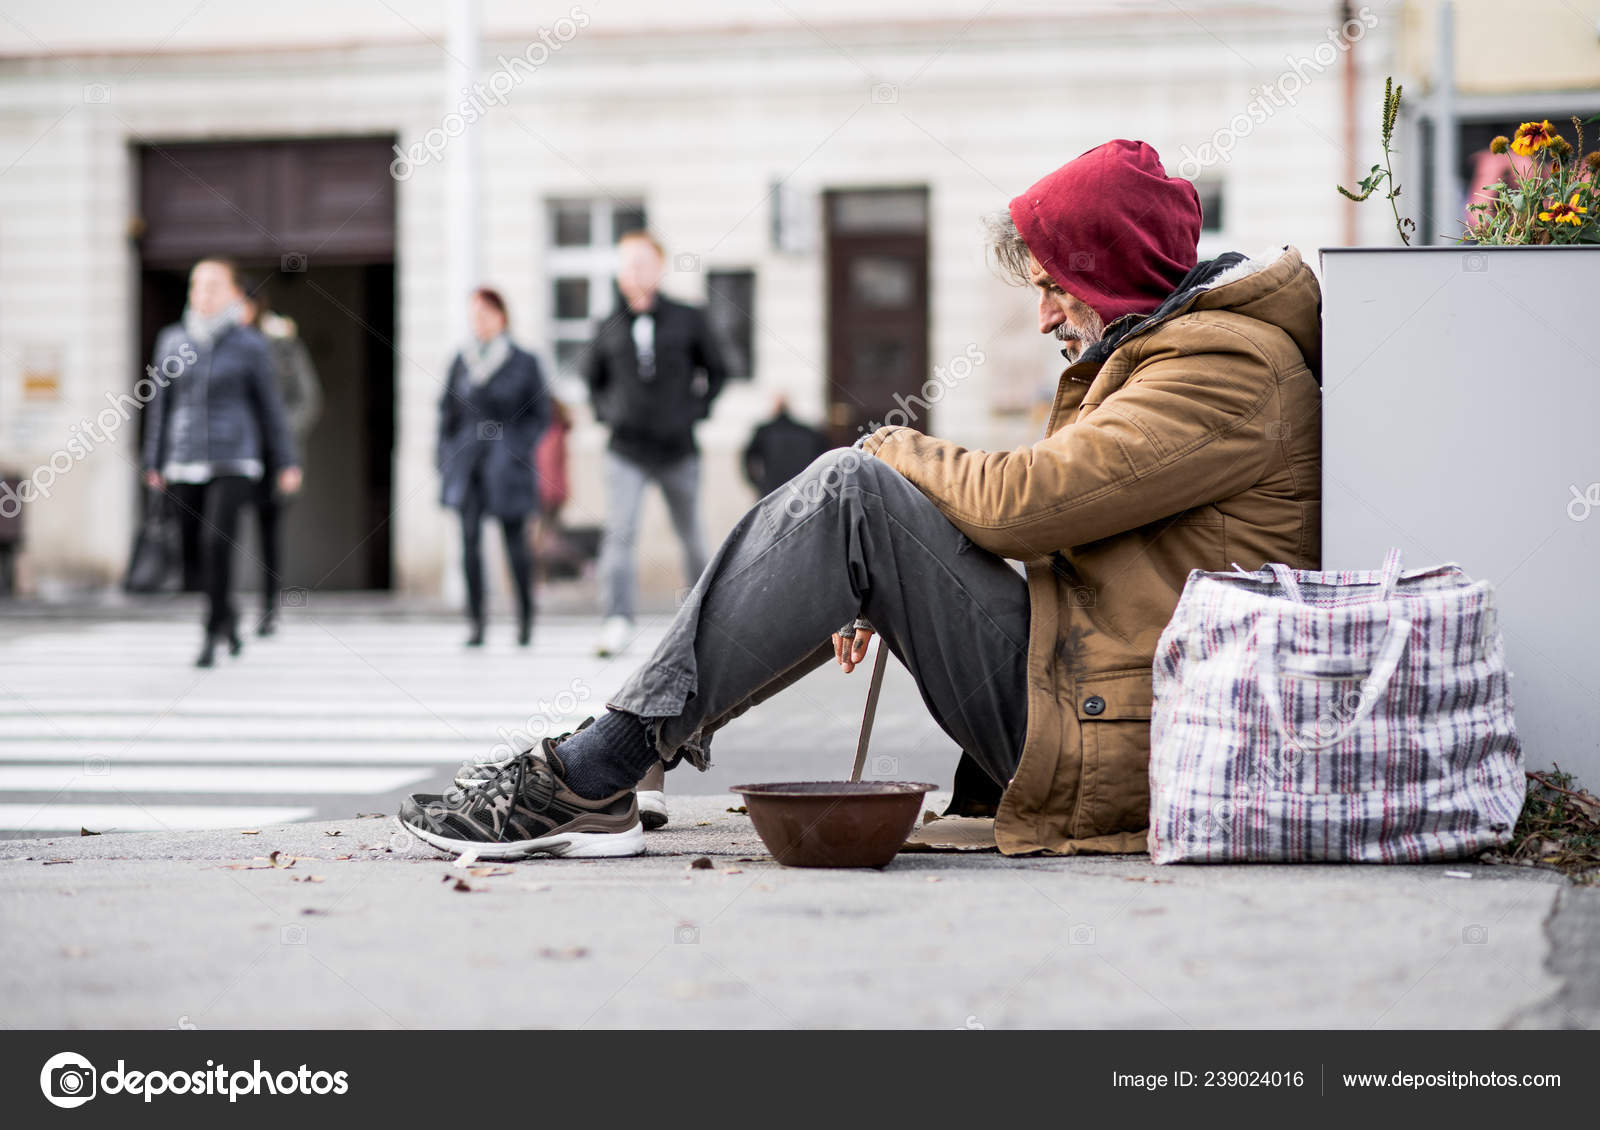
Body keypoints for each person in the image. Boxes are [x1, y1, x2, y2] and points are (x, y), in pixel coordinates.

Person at [398, 139, 1322, 861]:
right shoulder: (1170, 354)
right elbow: (1073, 530)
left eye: (1054, 287)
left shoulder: (1225, 366)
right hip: (1097, 701)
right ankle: (620, 759)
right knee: (865, 512)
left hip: (1122, 740)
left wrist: (892, 449)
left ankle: (597, 769)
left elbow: (1029, 505)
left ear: (1114, 270)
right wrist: (893, 580)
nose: (1044, 315)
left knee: (857, 486)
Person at [142, 259, 301, 668]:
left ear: (232, 293)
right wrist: (154, 461)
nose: (204, 292)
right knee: (192, 549)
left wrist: (286, 460)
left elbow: (270, 408)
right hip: (184, 458)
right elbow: (161, 404)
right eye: (197, 284)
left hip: (235, 458)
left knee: (218, 543)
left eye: (214, 284)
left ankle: (211, 632)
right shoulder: (172, 341)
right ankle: (228, 615)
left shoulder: (249, 344)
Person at [585, 230, 729, 659]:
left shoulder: (688, 317)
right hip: (625, 449)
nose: (634, 271)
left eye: (642, 262)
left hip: (678, 448)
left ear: (659, 267)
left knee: (692, 535)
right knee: (620, 534)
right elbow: (591, 380)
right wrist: (607, 413)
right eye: (627, 263)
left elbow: (717, 370)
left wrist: (695, 411)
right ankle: (616, 620)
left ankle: (706, 619)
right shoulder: (605, 324)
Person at [436, 287, 550, 647]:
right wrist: (446, 454)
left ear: (501, 317)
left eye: (485, 314)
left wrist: (518, 446)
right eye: (474, 315)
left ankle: (525, 620)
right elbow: (446, 413)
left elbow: (540, 414)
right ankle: (476, 622)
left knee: (515, 544)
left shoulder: (523, 361)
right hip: (469, 463)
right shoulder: (462, 360)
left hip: (508, 463)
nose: (479, 322)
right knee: (469, 543)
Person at [238, 291, 322, 636]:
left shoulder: (283, 345)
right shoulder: (222, 344)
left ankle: (268, 608)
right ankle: (222, 606)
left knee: (269, 531)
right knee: (221, 527)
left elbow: (307, 398)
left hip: (273, 455)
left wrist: (282, 433)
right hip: (235, 451)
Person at [741, 395, 830, 500]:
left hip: (772, 491)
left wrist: (758, 484)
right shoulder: (807, 432)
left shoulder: (765, 432)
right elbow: (824, 456)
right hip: (802, 489)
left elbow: (748, 458)